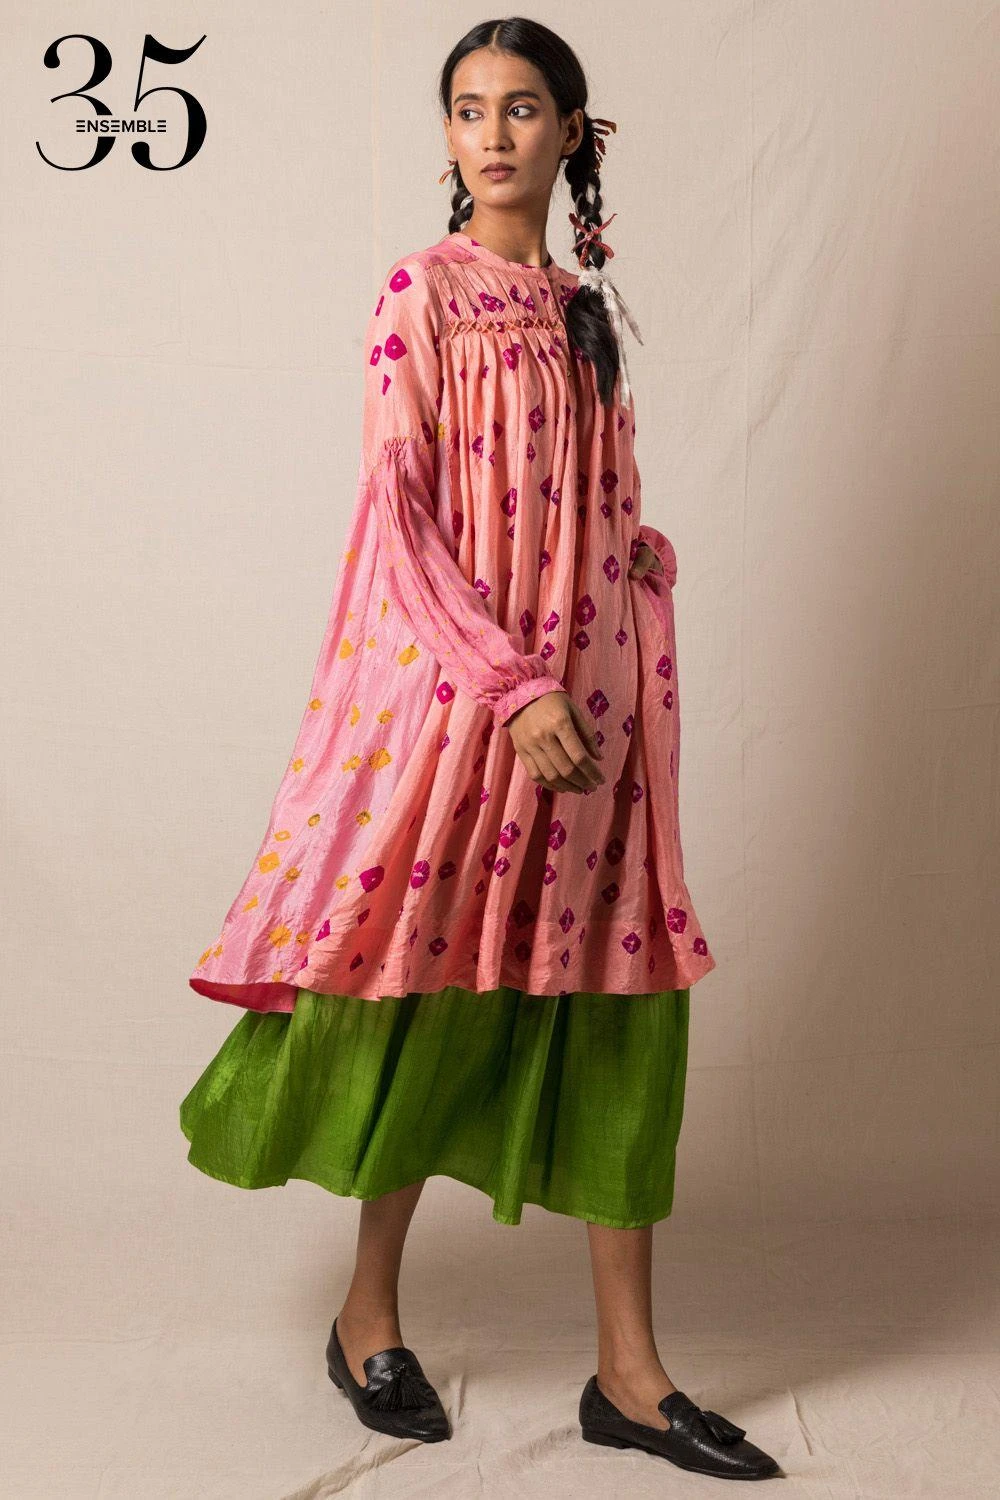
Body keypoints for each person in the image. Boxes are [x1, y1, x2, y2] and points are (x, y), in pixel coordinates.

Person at [179, 16, 780, 1483]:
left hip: (596, 709)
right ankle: (366, 1315)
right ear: (447, 137)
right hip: (466, 707)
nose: (494, 133)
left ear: (574, 133)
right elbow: (399, 512)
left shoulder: (584, 311)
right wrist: (509, 686)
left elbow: (607, 507)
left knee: (614, 994)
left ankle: (630, 1375)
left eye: (522, 108)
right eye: (468, 108)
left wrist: (630, 617)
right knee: (419, 986)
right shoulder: (422, 293)